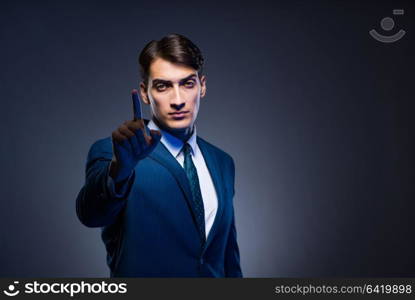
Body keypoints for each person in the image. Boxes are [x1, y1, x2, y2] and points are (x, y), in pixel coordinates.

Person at [76, 33, 242, 277]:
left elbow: (227, 256)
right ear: (145, 93)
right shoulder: (115, 152)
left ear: (202, 86)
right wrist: (119, 169)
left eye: (187, 83)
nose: (177, 100)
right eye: (163, 86)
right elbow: (91, 214)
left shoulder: (222, 162)